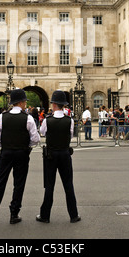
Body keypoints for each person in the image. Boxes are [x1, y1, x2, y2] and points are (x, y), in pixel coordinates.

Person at [0, 88, 40, 224]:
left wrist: (5, 144)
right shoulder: (28, 118)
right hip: (22, 153)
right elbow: (35, 139)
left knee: (0, 183)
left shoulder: (2, 116)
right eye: (24, 101)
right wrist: (25, 144)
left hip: (6, 152)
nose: (25, 103)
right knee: (19, 184)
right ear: (21, 102)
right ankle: (14, 214)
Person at [36, 90, 80, 224]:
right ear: (63, 105)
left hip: (51, 154)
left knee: (49, 186)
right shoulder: (69, 121)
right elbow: (70, 135)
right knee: (68, 185)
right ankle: (73, 215)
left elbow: (42, 133)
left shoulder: (47, 120)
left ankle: (45, 215)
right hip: (65, 153)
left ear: (54, 104)